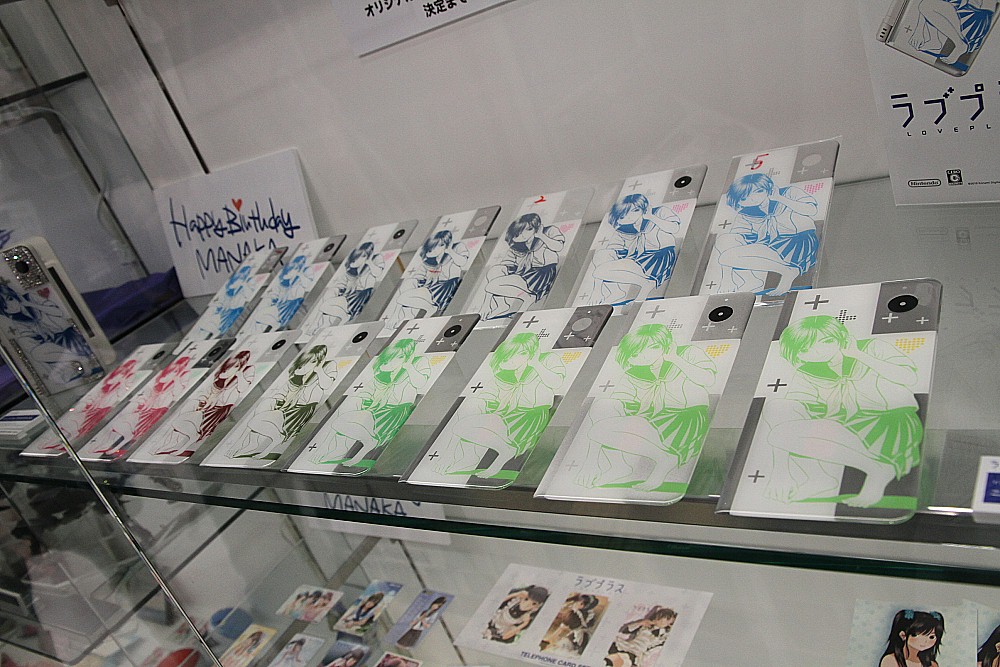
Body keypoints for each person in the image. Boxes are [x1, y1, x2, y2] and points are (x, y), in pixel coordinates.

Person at [762, 315, 922, 507]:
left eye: (825, 342)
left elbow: (909, 377)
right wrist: (780, 471)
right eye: (805, 349)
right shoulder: (808, 372)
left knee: (784, 429)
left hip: (888, 422)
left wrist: (858, 355)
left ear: (840, 338)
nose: (817, 352)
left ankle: (878, 469)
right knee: (777, 407)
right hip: (843, 429)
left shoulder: (871, 348)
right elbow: (787, 417)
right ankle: (818, 478)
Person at [577, 324, 716, 492]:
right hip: (648, 420)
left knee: (610, 423)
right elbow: (615, 405)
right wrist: (590, 461)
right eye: (635, 354)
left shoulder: (686, 353)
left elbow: (708, 379)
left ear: (662, 345)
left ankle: (665, 459)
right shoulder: (634, 373)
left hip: (685, 418)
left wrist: (674, 359)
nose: (642, 356)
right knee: (603, 407)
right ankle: (618, 466)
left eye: (649, 348)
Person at [437, 332, 565, 479]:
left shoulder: (546, 360)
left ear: (525, 353)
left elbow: (557, 382)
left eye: (512, 356)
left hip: (530, 416)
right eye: (506, 359)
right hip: (505, 415)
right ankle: (497, 452)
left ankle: (501, 454)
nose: (508, 362)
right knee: (464, 420)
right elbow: (489, 394)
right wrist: (483, 402)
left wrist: (535, 363)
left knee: (474, 423)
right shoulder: (505, 375)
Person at [309, 337, 430, 468]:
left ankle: (363, 447)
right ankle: (359, 444)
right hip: (377, 409)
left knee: (351, 421)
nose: (392, 362)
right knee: (340, 420)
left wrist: (408, 366)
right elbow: (369, 391)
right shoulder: (384, 374)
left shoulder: (417, 364)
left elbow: (420, 383)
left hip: (395, 410)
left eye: (399, 357)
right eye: (390, 359)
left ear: (406, 356)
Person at [711, 173, 819, 295]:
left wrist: (779, 198)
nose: (753, 199)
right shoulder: (746, 213)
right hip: (768, 244)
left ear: (768, 188)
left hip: (797, 241)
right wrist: (726, 278)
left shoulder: (788, 192)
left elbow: (812, 210)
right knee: (724, 241)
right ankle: (749, 280)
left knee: (727, 256)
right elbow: (736, 237)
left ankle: (788, 271)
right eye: (744, 198)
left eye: (758, 191)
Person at [226, 345, 335, 460]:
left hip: (300, 410)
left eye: (312, 362)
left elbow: (326, 385)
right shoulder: (297, 376)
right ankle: (248, 444)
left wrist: (319, 370)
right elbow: (285, 395)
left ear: (318, 362)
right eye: (303, 363)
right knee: (263, 408)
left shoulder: (324, 370)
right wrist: (297, 378)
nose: (306, 366)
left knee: (256, 420)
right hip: (287, 407)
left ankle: (249, 445)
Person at [587, 194, 682, 305]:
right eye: (623, 216)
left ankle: (647, 284)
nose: (629, 216)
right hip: (636, 257)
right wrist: (597, 290)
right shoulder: (624, 229)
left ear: (643, 207)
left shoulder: (658, 212)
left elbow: (674, 228)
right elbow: (613, 248)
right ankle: (615, 292)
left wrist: (651, 217)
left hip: (658, 256)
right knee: (601, 256)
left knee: (599, 271)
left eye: (635, 210)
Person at [155, 350, 254, 456]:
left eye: (236, 366)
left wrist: (240, 375)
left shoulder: (243, 374)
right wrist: (205, 399)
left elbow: (242, 388)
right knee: (182, 419)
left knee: (188, 421)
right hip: (210, 406)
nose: (230, 369)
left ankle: (181, 445)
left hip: (220, 409)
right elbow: (208, 393)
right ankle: (173, 445)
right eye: (229, 367)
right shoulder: (221, 377)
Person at [0, 283, 99, 384]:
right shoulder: (17, 321)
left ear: (14, 295)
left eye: (10, 299)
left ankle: (79, 360)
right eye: (5, 307)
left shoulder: (30, 298)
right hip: (53, 344)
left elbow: (57, 312)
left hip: (68, 335)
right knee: (37, 354)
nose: (12, 307)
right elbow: (28, 337)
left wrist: (31, 304)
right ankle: (77, 359)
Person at [96, 356, 192, 457]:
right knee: (124, 423)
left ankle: (125, 448)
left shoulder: (177, 381)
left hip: (159, 410)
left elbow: (176, 393)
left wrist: (176, 380)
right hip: (148, 409)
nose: (171, 374)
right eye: (170, 372)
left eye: (176, 371)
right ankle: (113, 447)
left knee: (141, 429)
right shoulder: (157, 385)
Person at [483, 214, 565, 320]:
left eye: (527, 230)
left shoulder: (548, 231)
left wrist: (541, 236)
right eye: (517, 234)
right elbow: (507, 263)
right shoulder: (517, 246)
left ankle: (527, 297)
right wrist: (486, 304)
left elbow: (558, 247)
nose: (522, 235)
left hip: (540, 273)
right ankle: (502, 305)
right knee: (494, 270)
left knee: (491, 286)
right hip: (522, 272)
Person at [384, 229, 469, 327]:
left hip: (446, 286)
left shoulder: (456, 248)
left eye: (439, 245)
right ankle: (397, 316)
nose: (434, 250)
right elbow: (419, 275)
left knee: (402, 297)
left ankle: (428, 309)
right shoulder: (430, 260)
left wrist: (450, 251)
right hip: (431, 286)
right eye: (431, 249)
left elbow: (462, 262)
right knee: (409, 283)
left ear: (445, 244)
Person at [308, 242, 383, 330]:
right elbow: (348, 284)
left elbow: (377, 273)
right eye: (359, 256)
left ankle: (342, 317)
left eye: (364, 255)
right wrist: (353, 268)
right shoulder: (355, 268)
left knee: (325, 306)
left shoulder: (375, 259)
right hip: (351, 294)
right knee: (327, 301)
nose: (360, 258)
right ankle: (320, 326)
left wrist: (369, 262)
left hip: (360, 295)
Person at [909, 0, 994, 68]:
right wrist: (918, 31)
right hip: (957, 9)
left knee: (927, 5)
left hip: (971, 13)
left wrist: (919, 30)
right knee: (928, 5)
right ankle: (934, 40)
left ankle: (960, 43)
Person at [604, 606, 676, 667]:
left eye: (667, 620)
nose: (662, 622)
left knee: (625, 658)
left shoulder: (663, 636)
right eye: (660, 618)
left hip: (637, 652)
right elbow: (626, 630)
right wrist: (640, 623)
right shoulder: (645, 625)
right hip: (627, 645)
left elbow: (652, 650)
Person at [484, 586, 550, 643]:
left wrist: (525, 623)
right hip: (493, 619)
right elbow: (493, 604)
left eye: (534, 603)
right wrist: (515, 594)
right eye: (526, 599)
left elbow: (504, 637)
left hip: (499, 630)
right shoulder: (515, 601)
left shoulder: (526, 616)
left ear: (537, 607)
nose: (526, 605)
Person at [880, 609, 944, 667]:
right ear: (903, 635)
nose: (925, 641)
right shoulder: (891, 660)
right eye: (916, 635)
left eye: (931, 637)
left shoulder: (931, 664)